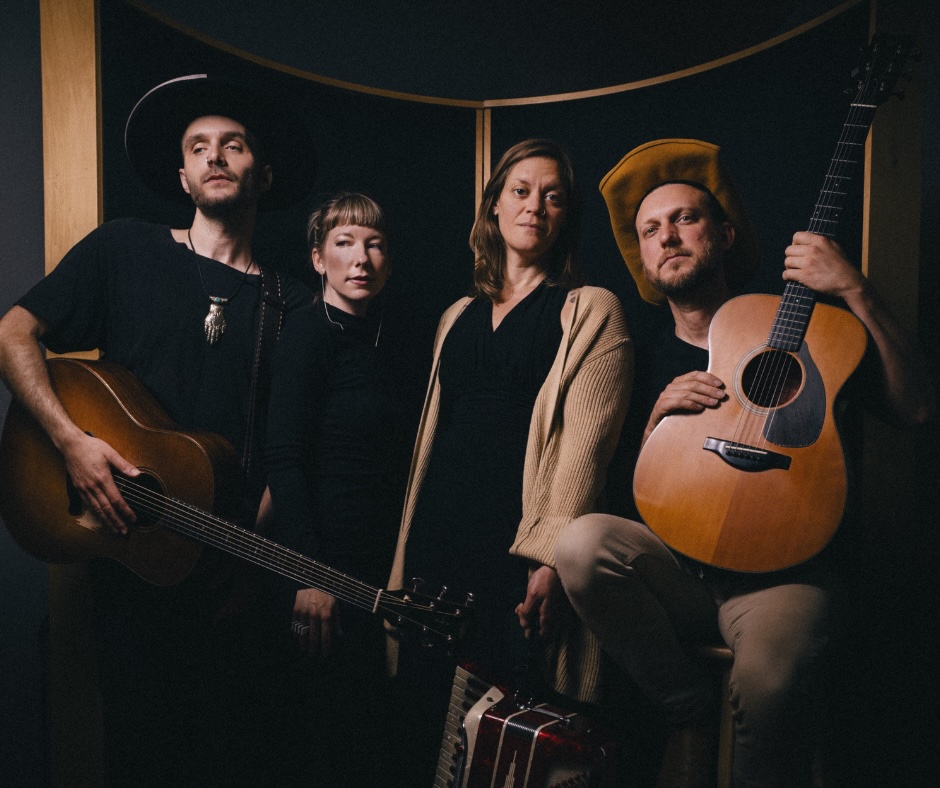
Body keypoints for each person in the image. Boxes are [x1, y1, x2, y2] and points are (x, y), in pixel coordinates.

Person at [554, 138, 934, 788]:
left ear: (725, 234)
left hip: (788, 574)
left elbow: (918, 409)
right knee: (580, 546)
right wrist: (656, 421)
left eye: (685, 218)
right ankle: (688, 709)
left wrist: (855, 288)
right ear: (642, 260)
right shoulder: (633, 355)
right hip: (678, 571)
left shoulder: (818, 329)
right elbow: (611, 488)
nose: (668, 236)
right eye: (651, 229)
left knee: (766, 682)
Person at [0, 74, 315, 785]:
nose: (215, 157)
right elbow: (13, 333)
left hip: (223, 574)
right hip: (123, 549)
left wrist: (251, 561)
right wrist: (70, 443)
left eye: (232, 146)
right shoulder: (124, 249)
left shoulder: (288, 303)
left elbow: (290, 449)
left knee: (230, 757)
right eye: (198, 147)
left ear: (260, 173)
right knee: (139, 754)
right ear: (182, 174)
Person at [386, 138, 633, 784]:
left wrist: (551, 557)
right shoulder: (455, 316)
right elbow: (426, 449)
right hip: (438, 539)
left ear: (566, 218)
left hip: (515, 554)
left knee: (500, 743)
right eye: (521, 191)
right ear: (494, 207)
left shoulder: (591, 311)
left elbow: (588, 447)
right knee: (420, 721)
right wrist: (404, 560)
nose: (535, 206)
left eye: (553, 196)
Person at [262, 192, 407, 785]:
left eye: (374, 244)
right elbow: (284, 457)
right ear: (318, 259)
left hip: (373, 569)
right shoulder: (306, 332)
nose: (362, 258)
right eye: (345, 243)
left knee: (364, 740)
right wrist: (311, 576)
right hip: (318, 566)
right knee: (317, 742)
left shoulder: (384, 339)